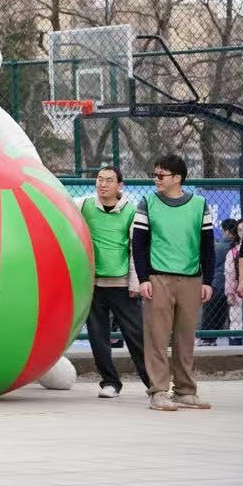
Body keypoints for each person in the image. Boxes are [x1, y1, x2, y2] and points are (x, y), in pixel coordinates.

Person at [132, 154, 215, 411]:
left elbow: (208, 246)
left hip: (192, 280)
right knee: (156, 338)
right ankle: (158, 391)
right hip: (158, 279)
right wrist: (143, 279)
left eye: (161, 175)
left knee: (185, 338)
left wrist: (208, 281)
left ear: (177, 178)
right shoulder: (147, 203)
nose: (156, 179)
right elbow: (138, 245)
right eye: (155, 174)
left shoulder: (200, 205)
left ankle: (185, 391)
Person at [76, 165, 151, 399]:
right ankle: (110, 382)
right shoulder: (83, 205)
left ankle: (154, 384)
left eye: (109, 180)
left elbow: (136, 248)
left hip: (122, 286)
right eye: (99, 179)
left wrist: (135, 282)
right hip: (93, 285)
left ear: (120, 185)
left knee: (137, 336)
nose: (103, 184)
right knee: (98, 338)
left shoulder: (131, 211)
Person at [203, 218, 238, 344]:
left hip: (218, 284)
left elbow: (211, 264)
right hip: (232, 286)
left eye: (223, 231)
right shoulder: (237, 247)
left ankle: (207, 338)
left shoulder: (221, 247)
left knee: (210, 313)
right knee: (224, 314)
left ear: (227, 231)